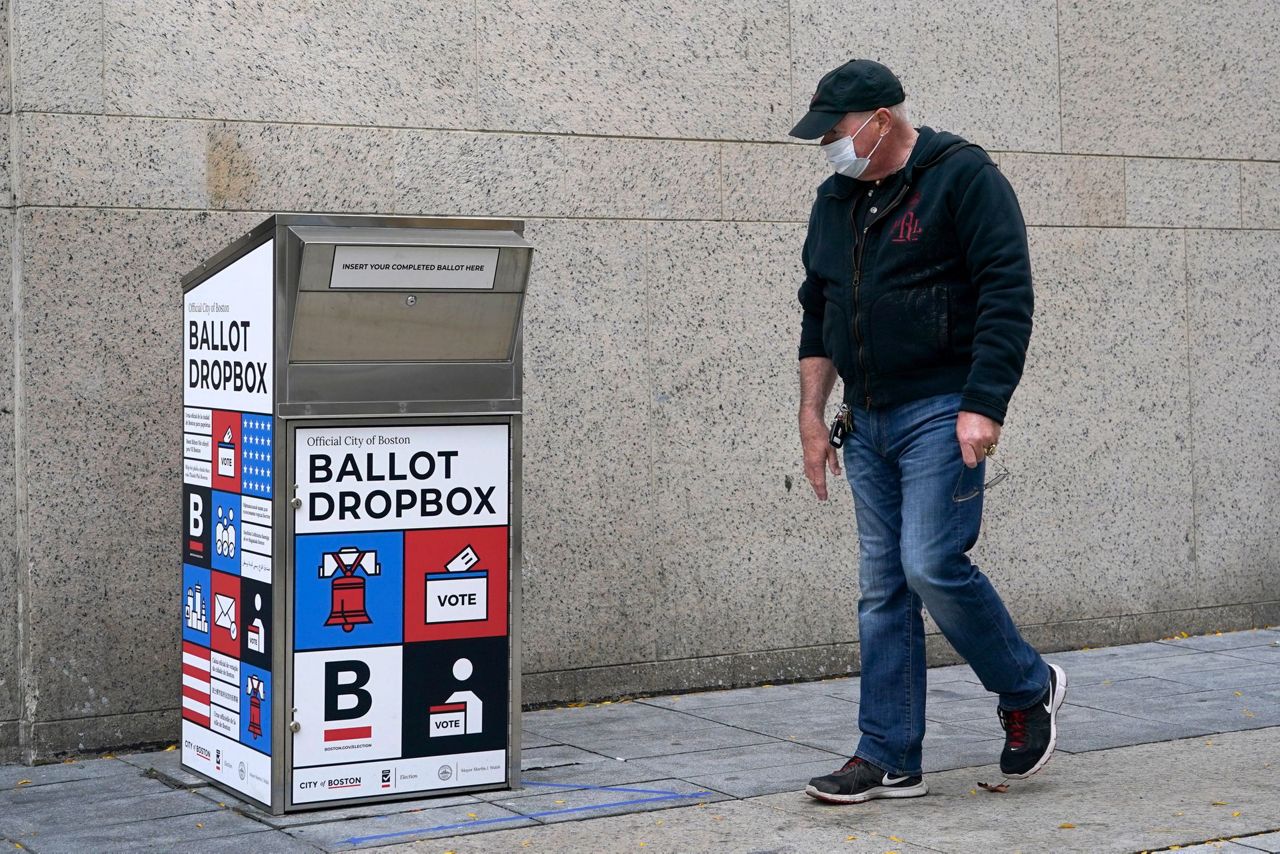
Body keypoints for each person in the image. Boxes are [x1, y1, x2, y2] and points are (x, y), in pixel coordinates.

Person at [791, 59, 1067, 804]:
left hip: (942, 409)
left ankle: (1026, 685)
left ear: (881, 119)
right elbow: (818, 311)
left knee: (929, 563)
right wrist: (812, 415)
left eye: (837, 131)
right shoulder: (835, 200)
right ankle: (888, 753)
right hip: (868, 417)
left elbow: (1007, 290)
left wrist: (985, 402)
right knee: (881, 588)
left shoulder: (962, 176)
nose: (830, 147)